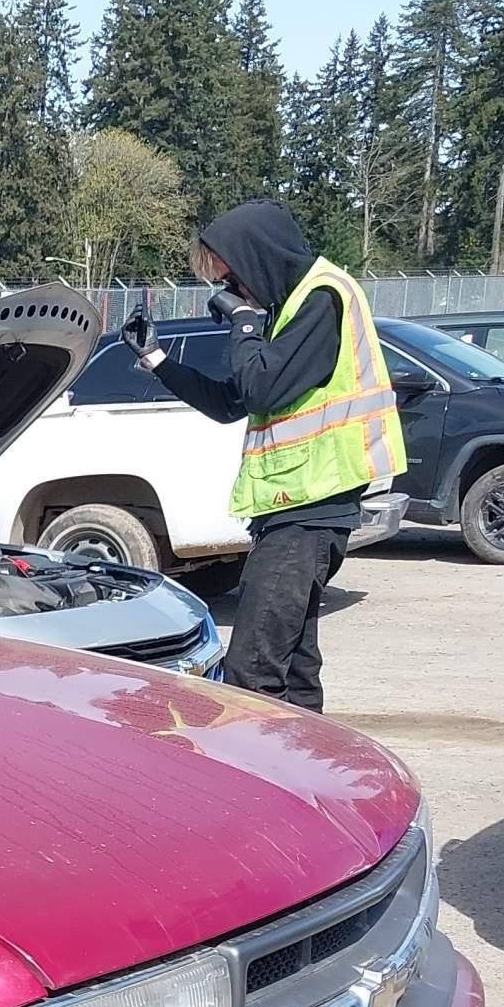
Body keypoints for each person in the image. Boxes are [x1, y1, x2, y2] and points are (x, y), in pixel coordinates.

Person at [119, 199, 404, 712]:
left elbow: (260, 388)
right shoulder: (293, 306)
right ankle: (309, 773)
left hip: (309, 513)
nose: (231, 294)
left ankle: (258, 780)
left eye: (233, 281)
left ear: (257, 259)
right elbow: (232, 401)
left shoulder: (322, 299)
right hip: (293, 512)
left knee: (251, 670)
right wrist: (156, 359)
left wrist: (245, 322)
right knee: (294, 665)